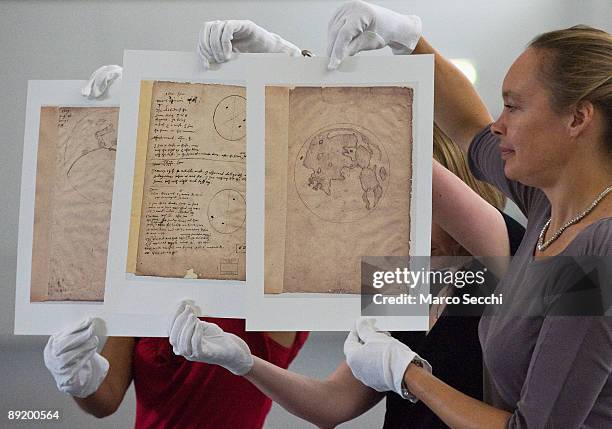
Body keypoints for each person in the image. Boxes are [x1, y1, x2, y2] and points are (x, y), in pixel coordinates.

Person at [168, 21, 525, 428]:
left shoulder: (504, 247)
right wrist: (244, 363)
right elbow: (332, 404)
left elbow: (395, 158)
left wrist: (293, 69)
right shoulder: (405, 275)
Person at [324, 2, 612, 428]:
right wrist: (407, 39)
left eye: (513, 106)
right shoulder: (547, 207)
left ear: (577, 118)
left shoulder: (599, 250)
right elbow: (466, 125)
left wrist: (406, 374)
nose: (498, 123)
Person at [43, 21, 308, 429]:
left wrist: (284, 58)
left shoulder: (272, 279)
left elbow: (311, 135)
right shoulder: (145, 272)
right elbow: (107, 397)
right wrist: (79, 378)